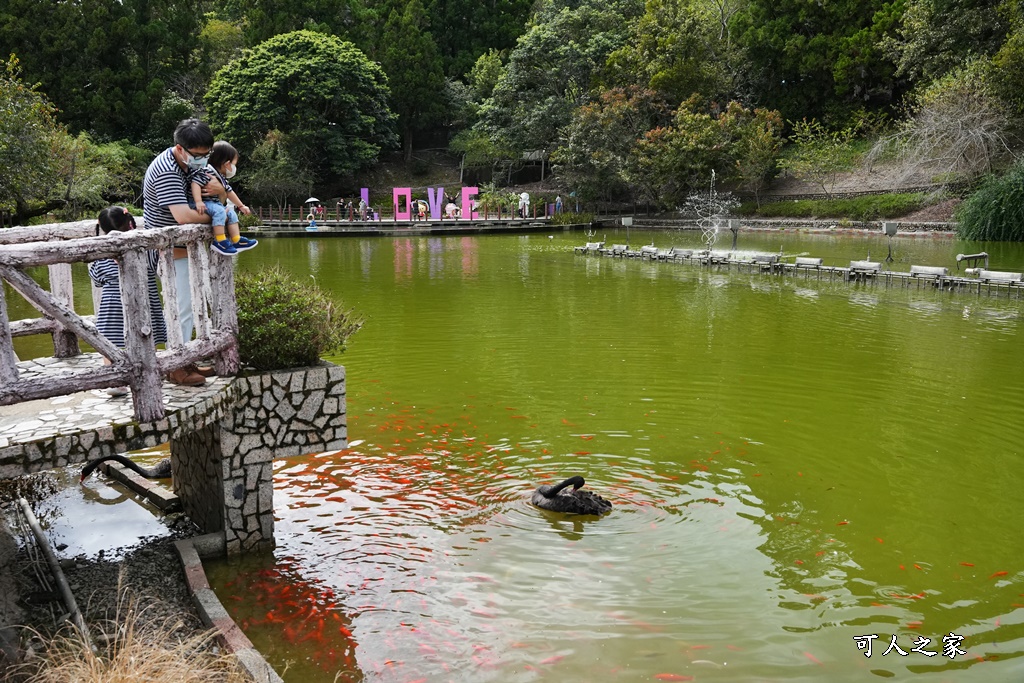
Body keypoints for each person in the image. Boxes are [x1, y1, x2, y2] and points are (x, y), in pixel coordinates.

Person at [142, 117, 219, 386]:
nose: (203, 160)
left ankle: (186, 358)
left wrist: (219, 197)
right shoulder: (166, 169)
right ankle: (175, 365)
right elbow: (183, 216)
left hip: (186, 249)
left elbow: (211, 193)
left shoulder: (186, 164)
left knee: (194, 306)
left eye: (206, 155)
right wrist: (218, 216)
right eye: (197, 155)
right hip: (168, 250)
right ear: (179, 148)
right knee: (180, 307)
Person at [89, 207, 170, 396]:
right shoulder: (145, 246)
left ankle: (115, 380)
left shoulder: (101, 252)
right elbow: (154, 265)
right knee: (149, 334)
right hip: (146, 297)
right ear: (130, 222)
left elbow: (97, 279)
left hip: (113, 301)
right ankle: (152, 372)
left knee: (111, 336)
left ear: (102, 227)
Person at [188, 140, 257, 256]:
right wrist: (198, 201)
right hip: (202, 203)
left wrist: (240, 206)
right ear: (227, 163)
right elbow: (195, 183)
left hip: (213, 204)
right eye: (234, 164)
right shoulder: (207, 172)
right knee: (220, 211)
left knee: (231, 213)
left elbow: (229, 192)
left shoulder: (220, 176)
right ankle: (219, 241)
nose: (234, 168)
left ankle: (236, 240)